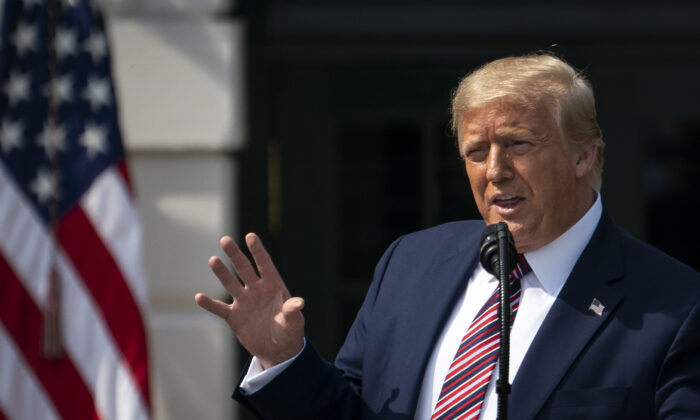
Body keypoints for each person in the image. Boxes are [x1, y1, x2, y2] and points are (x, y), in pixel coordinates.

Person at [195, 53, 700, 419]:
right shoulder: (411, 262)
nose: (495, 171)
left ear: (583, 155)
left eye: (518, 144)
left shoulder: (676, 306)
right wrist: (285, 360)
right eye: (476, 152)